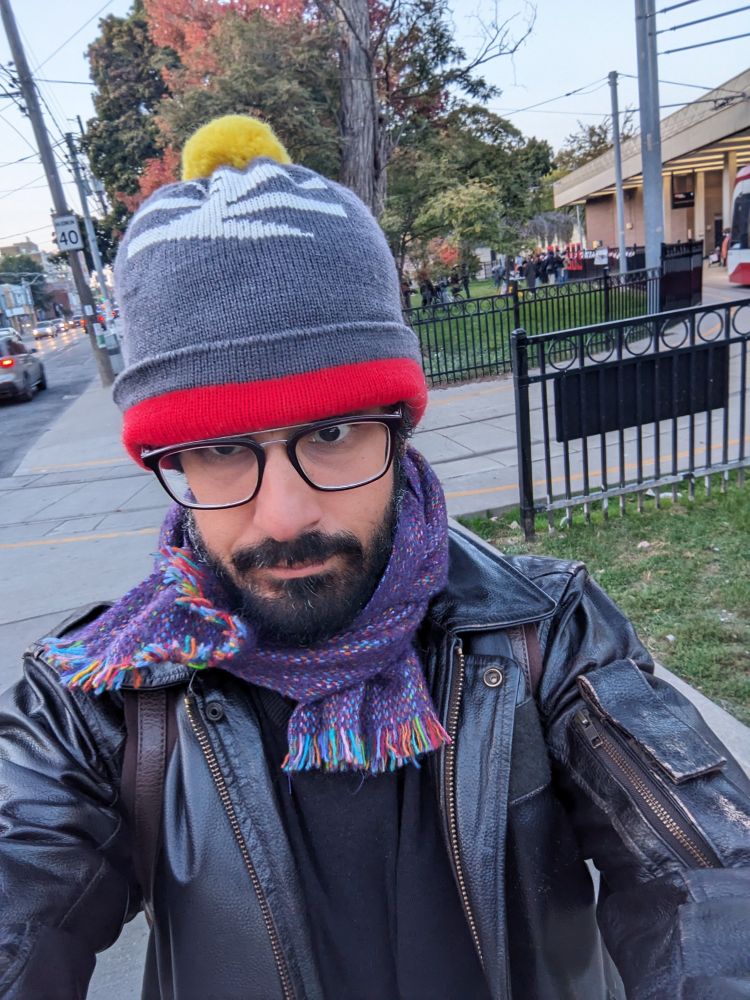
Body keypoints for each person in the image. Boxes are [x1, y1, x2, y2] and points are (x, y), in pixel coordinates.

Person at [0, 114, 748, 1000]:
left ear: (400, 427)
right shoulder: (103, 699)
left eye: (332, 431)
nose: (282, 515)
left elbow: (709, 877)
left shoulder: (543, 637)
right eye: (218, 449)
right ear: (170, 461)